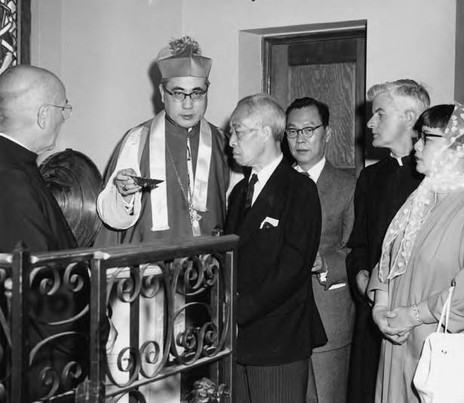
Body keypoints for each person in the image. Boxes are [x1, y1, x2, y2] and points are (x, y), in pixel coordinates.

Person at [368, 103, 464, 402]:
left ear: (458, 145)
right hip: (398, 346)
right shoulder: (418, 201)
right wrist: (381, 308)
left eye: (427, 138)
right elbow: (388, 260)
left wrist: (412, 315)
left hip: (444, 356)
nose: (416, 145)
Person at [225, 94, 327, 403]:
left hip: (278, 340)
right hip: (239, 339)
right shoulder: (240, 192)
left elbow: (292, 270)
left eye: (238, 131)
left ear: (266, 133)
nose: (230, 141)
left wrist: (238, 312)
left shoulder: (299, 189)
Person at [0, 65, 87, 400]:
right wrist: (85, 335)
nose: (65, 117)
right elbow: (37, 280)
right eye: (63, 108)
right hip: (41, 363)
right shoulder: (11, 178)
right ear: (42, 115)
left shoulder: (18, 164)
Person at [96, 37, 230, 244]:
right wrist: (124, 195)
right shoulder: (138, 140)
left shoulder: (223, 141)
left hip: (208, 264)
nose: (188, 105)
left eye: (197, 93)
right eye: (178, 93)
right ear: (162, 93)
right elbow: (113, 219)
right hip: (150, 265)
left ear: (207, 92)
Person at [345, 79, 430, 403]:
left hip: (415, 321)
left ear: (409, 118)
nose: (369, 123)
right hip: (372, 319)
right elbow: (359, 247)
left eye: (379, 113)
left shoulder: (434, 181)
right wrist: (362, 277)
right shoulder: (371, 177)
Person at [285, 97, 355, 403]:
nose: (300, 139)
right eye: (292, 131)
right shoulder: (272, 184)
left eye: (309, 130)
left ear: (326, 133)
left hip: (327, 316)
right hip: (279, 322)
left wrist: (324, 262)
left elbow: (358, 250)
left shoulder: (349, 186)